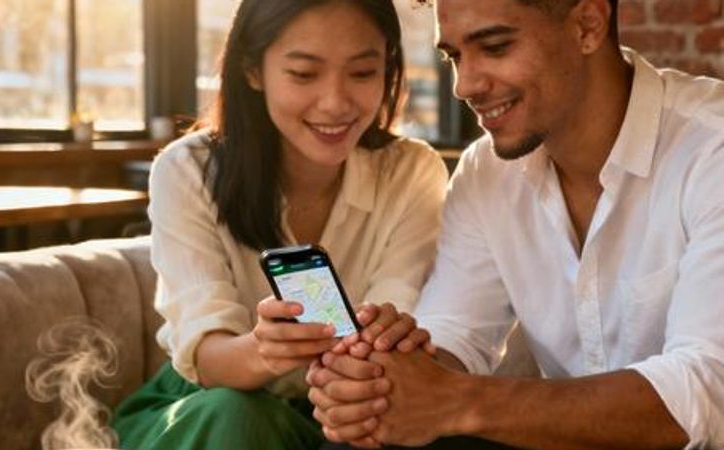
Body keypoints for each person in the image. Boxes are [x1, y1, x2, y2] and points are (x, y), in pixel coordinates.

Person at [307, 0, 724, 449]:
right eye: (454, 56)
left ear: (587, 24)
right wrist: (380, 381)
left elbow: (707, 389)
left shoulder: (710, 148)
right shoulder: (487, 172)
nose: (464, 85)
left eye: (495, 46)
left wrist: (454, 400)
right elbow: (455, 334)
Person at [110, 0, 449, 449]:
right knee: (237, 414)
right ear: (252, 70)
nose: (335, 103)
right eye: (304, 74)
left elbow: (392, 332)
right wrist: (263, 350)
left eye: (363, 73)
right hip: (208, 405)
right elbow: (208, 356)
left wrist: (369, 360)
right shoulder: (187, 170)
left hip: (345, 408)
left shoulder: (411, 173)